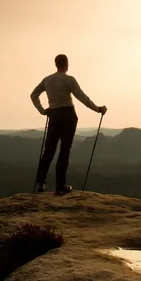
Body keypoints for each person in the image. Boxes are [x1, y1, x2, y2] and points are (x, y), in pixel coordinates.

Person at [30, 54, 107, 195]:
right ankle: (60, 185)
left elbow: (33, 95)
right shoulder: (69, 80)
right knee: (65, 150)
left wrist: (42, 111)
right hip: (68, 115)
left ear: (55, 64)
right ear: (66, 64)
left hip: (53, 114)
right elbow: (82, 97)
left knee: (49, 150)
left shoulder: (47, 80)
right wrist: (98, 109)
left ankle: (40, 183)